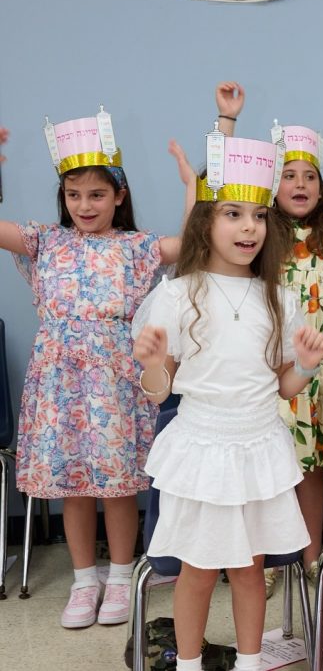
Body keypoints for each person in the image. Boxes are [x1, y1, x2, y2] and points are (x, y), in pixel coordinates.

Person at [132, 135, 323, 671]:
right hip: (201, 446)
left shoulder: (278, 299)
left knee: (249, 568)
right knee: (195, 569)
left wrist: (305, 364)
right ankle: (189, 664)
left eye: (259, 216)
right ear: (205, 223)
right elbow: (159, 391)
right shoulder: (178, 294)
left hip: (259, 445)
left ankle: (249, 662)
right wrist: (152, 362)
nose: (249, 228)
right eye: (233, 214)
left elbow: (284, 387)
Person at [0, 112, 185, 629]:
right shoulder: (44, 242)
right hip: (59, 383)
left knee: (118, 485)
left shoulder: (138, 247)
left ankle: (121, 578)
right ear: (63, 197)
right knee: (74, 485)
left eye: (97, 195)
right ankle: (85, 581)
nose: (85, 205)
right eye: (74, 194)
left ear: (119, 196)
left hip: (114, 380)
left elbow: (197, 243)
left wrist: (194, 186)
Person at [211, 82, 323, 591]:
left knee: (313, 470)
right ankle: (262, 562)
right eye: (288, 175)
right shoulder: (259, 234)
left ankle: (313, 557)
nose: (300, 183)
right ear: (270, 185)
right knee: (268, 471)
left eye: (309, 175)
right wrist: (227, 122)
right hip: (276, 370)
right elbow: (223, 188)